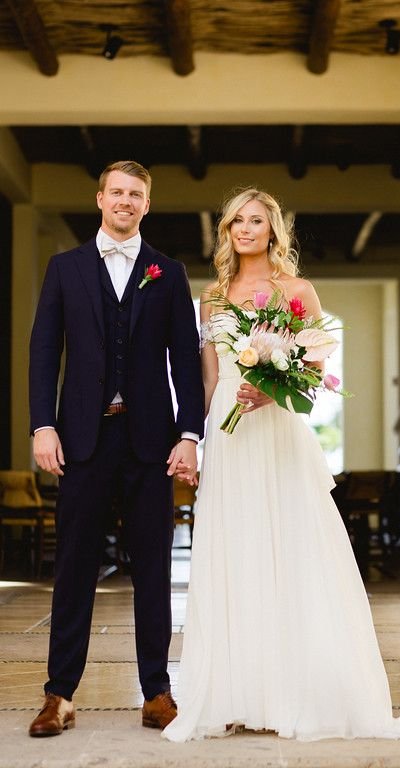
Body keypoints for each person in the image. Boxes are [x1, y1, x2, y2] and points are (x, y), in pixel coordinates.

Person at [162, 188, 400, 742]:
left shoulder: (298, 292)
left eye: (256, 220)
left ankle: (293, 692)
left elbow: (310, 381)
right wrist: (193, 438)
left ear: (272, 231)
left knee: (289, 551)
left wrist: (272, 390)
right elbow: (208, 381)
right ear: (227, 231)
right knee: (235, 553)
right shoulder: (212, 300)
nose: (245, 229)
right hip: (228, 432)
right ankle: (236, 695)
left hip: (277, 431)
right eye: (236, 220)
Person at [28, 160, 204, 737]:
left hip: (151, 443)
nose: (126, 201)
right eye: (117, 192)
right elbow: (43, 352)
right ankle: (60, 695)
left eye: (137, 194)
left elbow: (185, 359)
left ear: (146, 205)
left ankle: (157, 690)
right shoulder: (65, 269)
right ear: (100, 198)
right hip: (81, 439)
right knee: (74, 565)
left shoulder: (169, 272)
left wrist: (188, 434)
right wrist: (42, 426)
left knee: (153, 566)